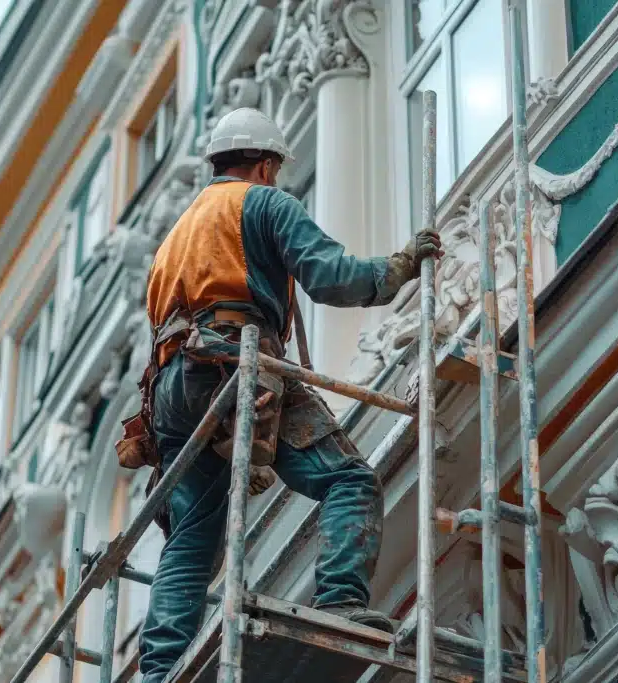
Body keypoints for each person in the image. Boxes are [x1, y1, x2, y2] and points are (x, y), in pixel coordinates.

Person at [131, 107, 442, 682]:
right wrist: (399, 267)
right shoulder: (263, 203)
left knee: (192, 537)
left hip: (173, 386)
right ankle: (340, 602)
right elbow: (331, 276)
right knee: (348, 479)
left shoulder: (175, 237)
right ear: (267, 165)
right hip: (233, 360)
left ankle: (159, 672)